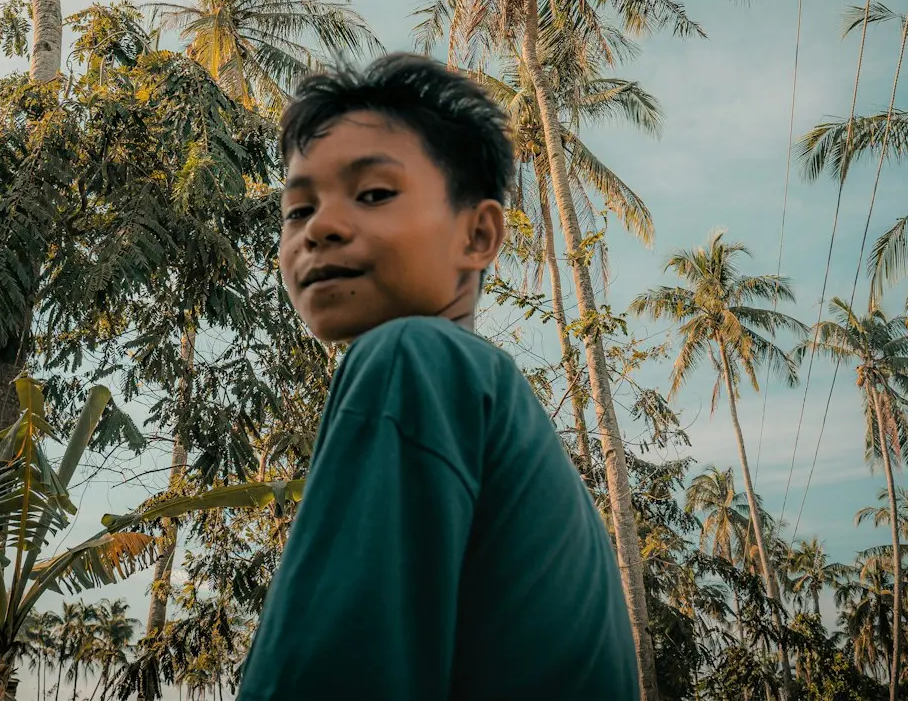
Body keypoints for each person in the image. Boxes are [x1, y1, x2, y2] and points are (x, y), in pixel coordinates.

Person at [234, 53, 639, 701]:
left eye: (373, 194)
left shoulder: (414, 357)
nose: (321, 228)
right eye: (298, 209)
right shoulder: (484, 396)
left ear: (478, 235)